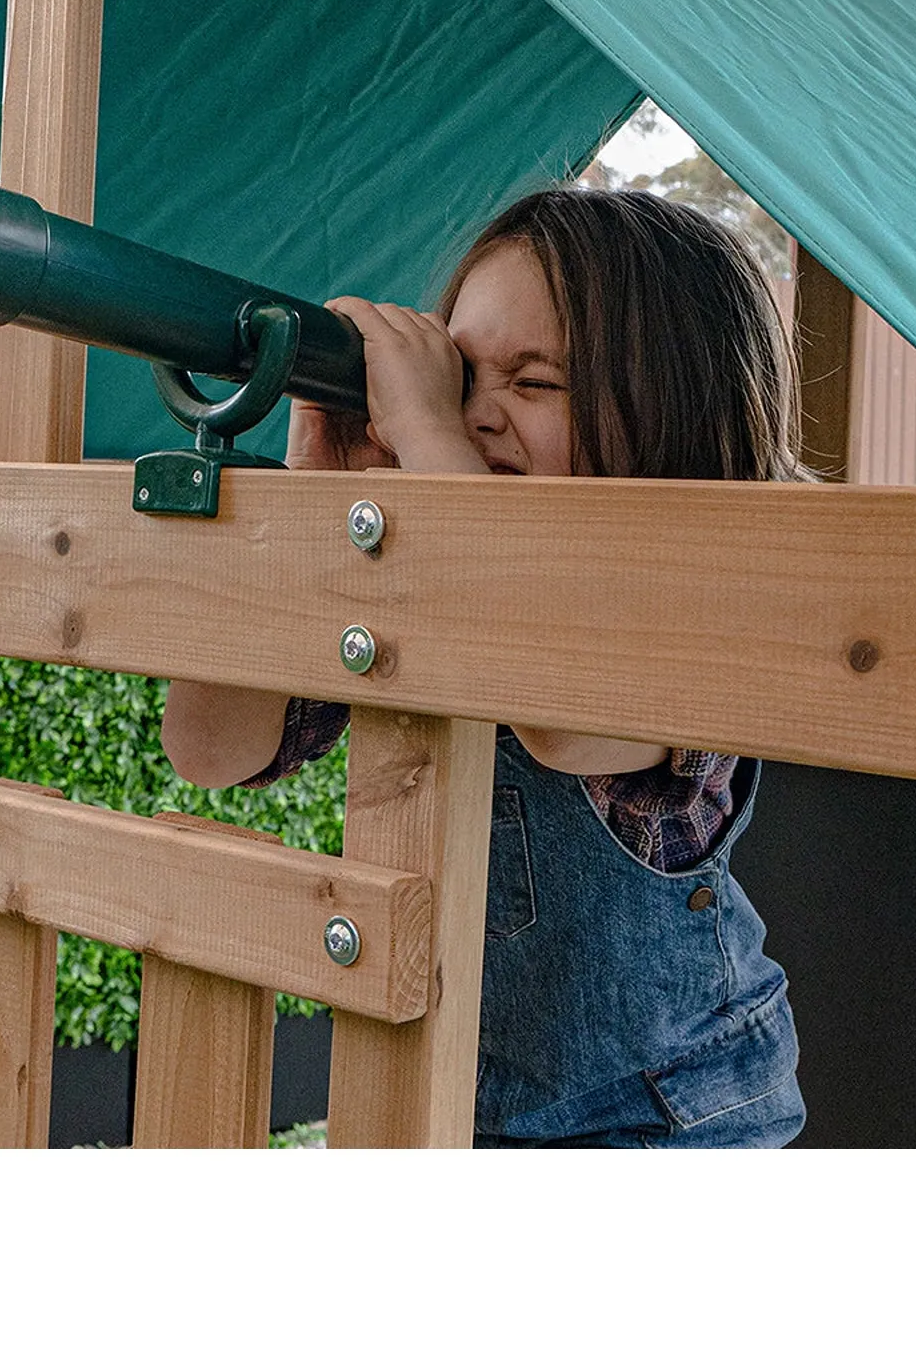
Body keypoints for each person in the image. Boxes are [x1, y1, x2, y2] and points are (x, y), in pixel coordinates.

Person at [161, 185, 806, 1147]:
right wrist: (311, 499)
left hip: (674, 1114)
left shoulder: (696, 607)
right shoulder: (431, 571)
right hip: (458, 1106)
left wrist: (428, 438)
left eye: (535, 383)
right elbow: (210, 747)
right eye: (459, 378)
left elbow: (554, 703)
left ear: (680, 409)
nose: (478, 417)